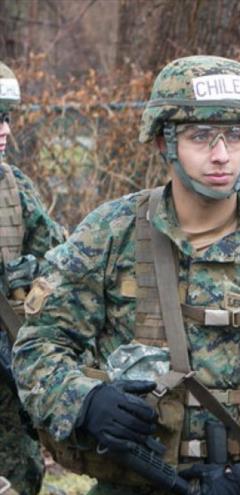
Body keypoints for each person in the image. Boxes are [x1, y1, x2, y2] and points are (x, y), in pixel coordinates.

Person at [12, 55, 240, 495]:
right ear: (163, 142)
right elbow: (38, 346)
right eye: (200, 136)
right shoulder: (111, 233)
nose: (221, 155)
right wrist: (86, 400)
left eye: (235, 135)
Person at [0, 60, 67, 495]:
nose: (5, 130)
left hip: (7, 366)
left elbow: (62, 261)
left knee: (21, 471)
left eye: (6, 117)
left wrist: (34, 279)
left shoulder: (13, 187)